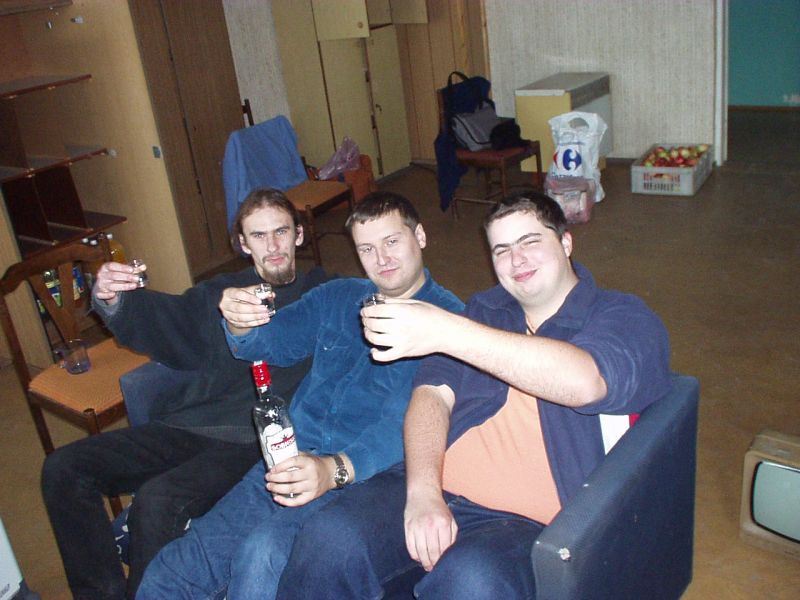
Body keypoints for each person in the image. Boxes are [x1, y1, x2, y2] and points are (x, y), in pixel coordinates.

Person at [276, 191, 673, 600]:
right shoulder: (488, 310)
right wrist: (424, 493)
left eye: (530, 241)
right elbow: (431, 395)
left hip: (525, 523)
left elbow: (586, 382)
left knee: (470, 578)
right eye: (502, 250)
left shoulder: (623, 316)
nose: (516, 260)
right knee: (331, 537)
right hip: (438, 487)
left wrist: (444, 330)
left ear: (566, 242)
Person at [136, 192, 463, 600]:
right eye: (366, 248)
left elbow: (404, 426)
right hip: (286, 462)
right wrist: (239, 322)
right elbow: (270, 342)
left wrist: (332, 469)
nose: (381, 259)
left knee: (261, 558)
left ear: (420, 236)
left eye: (392, 241)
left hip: (364, 480)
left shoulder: (451, 323)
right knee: (172, 570)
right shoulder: (338, 296)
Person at [41, 188, 329, 600]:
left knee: (157, 500)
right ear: (243, 244)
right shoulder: (220, 293)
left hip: (253, 442)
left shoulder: (322, 292)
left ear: (298, 234)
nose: (273, 246)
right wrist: (112, 298)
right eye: (259, 236)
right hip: (188, 424)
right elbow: (168, 320)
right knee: (63, 468)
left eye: (281, 232)